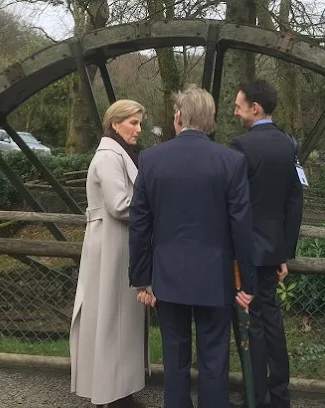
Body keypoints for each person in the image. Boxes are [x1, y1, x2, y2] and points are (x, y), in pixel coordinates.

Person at [128, 84, 256, 408]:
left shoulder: (151, 159)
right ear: (210, 121)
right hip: (216, 278)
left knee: (175, 358)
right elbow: (242, 226)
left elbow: (140, 225)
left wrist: (142, 277)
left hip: (167, 276)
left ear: (178, 118)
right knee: (214, 360)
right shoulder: (232, 161)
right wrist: (248, 282)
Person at [70, 99, 150, 408]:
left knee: (115, 318)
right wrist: (156, 206)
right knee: (111, 317)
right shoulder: (108, 156)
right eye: (133, 122)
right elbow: (120, 206)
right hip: (112, 246)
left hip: (116, 244)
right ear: (115, 123)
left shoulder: (117, 153)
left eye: (139, 123)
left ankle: (117, 389)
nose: (138, 129)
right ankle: (113, 393)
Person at [230, 80, 303, 408]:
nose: (235, 111)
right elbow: (295, 201)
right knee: (273, 323)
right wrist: (285, 252)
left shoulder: (240, 147)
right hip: (273, 249)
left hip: (247, 252)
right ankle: (280, 396)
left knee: (253, 326)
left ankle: (256, 398)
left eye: (238, 105)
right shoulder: (289, 144)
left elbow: (234, 205)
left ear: (255, 107)